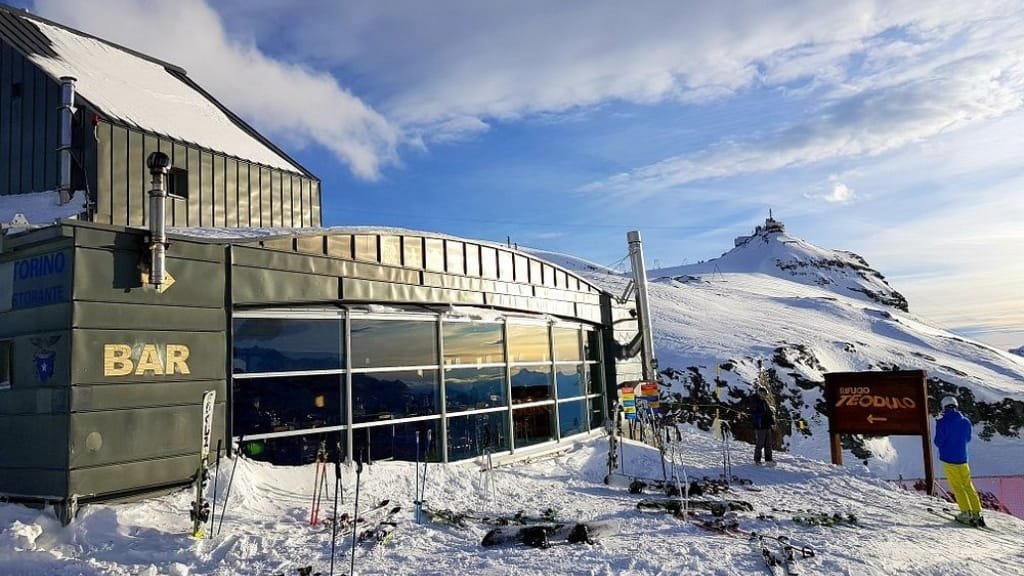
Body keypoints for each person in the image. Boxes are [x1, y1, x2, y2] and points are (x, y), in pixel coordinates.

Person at [933, 396, 984, 526]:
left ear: (943, 407)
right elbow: (967, 439)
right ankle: (977, 512)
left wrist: (939, 425)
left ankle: (966, 512)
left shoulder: (943, 422)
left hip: (949, 458)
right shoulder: (965, 421)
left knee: (957, 486)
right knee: (968, 485)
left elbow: (938, 442)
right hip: (963, 458)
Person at [750, 385, 776, 466]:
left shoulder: (764, 402)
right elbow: (755, 413)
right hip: (760, 425)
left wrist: (771, 417)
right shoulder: (755, 401)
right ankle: (757, 460)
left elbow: (768, 412)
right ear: (759, 393)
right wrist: (764, 413)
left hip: (767, 425)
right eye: (764, 394)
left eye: (765, 394)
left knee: (768, 443)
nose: (765, 396)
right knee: (760, 443)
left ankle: (769, 459)